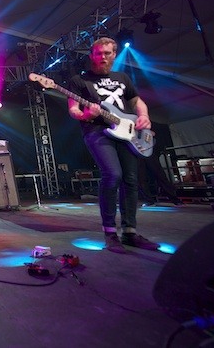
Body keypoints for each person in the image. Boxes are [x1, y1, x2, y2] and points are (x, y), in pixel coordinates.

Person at [68, 37, 160, 254]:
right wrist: (86, 115)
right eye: (98, 53)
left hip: (127, 132)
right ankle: (110, 233)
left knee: (130, 179)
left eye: (107, 53)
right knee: (112, 174)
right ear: (91, 55)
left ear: (114, 55)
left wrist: (144, 116)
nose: (103, 57)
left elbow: (137, 101)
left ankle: (130, 232)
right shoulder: (79, 80)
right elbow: (73, 109)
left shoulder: (122, 78)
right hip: (97, 132)